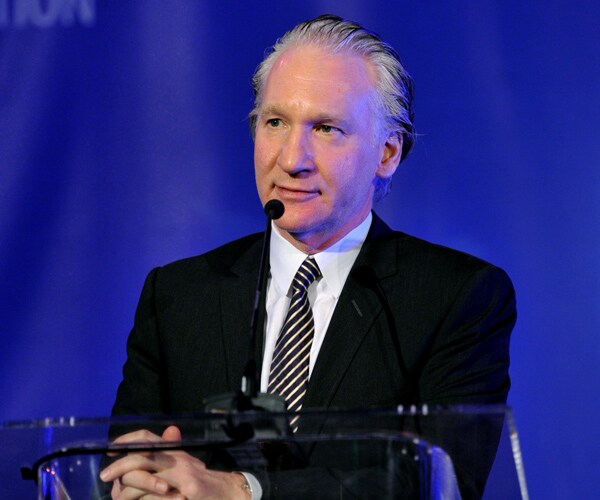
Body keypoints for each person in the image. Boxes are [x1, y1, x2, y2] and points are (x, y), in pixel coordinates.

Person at [99, 14, 516, 499]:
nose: (292, 159)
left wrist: (241, 491)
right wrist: (142, 482)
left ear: (387, 153)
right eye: (275, 122)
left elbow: (437, 481)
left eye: (326, 128)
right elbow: (125, 466)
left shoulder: (457, 297)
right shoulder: (178, 296)